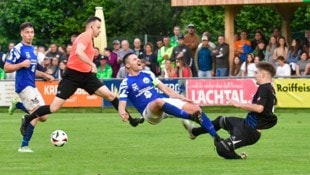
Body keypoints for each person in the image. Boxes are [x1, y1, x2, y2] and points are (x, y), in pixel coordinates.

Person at [20, 16, 143, 138]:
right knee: (54, 107)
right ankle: (28, 118)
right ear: (91, 27)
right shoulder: (85, 36)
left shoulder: (89, 38)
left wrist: (89, 65)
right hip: (72, 76)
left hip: (87, 76)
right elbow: (79, 52)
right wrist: (91, 63)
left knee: (110, 95)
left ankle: (131, 120)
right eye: (98, 27)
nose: (99, 30)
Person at [183, 62, 278, 159]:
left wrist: (239, 104)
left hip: (250, 133)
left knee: (221, 148)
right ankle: (194, 132)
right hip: (245, 124)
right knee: (220, 120)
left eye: (256, 73)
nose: (255, 75)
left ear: (262, 75)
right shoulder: (269, 88)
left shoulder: (264, 88)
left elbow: (259, 108)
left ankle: (238, 157)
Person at [118, 52, 221, 142]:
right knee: (158, 101)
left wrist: (181, 97)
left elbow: (166, 89)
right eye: (134, 59)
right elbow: (122, 103)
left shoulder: (148, 74)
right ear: (128, 65)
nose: (138, 60)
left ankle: (216, 138)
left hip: (163, 103)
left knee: (196, 109)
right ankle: (189, 116)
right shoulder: (126, 83)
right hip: (150, 112)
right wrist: (122, 112)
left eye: (138, 58)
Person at [4, 22, 55, 152]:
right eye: (27, 32)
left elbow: (32, 70)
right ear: (21, 33)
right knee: (36, 114)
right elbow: (7, 68)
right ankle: (24, 145)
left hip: (33, 85)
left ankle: (18, 105)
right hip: (24, 86)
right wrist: (21, 64)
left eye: (32, 32)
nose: (30, 35)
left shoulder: (32, 50)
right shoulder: (17, 49)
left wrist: (44, 75)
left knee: (44, 117)